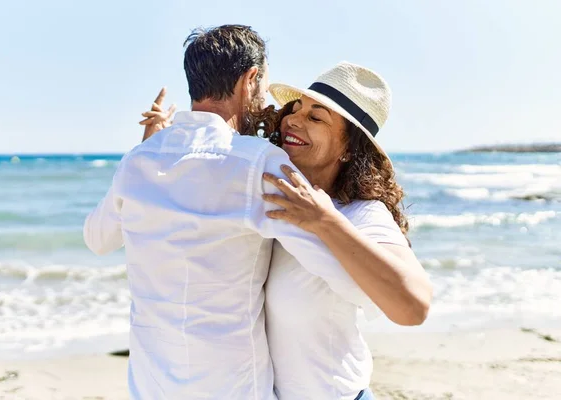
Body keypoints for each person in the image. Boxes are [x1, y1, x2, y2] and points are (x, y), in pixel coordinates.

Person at [84, 26, 392, 400]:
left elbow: (97, 240)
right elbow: (354, 282)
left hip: (151, 388)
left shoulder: (138, 160)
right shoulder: (259, 164)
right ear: (249, 80)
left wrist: (147, 150)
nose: (267, 106)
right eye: (263, 90)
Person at [142, 62, 432, 400]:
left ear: (350, 148)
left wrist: (325, 221)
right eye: (296, 108)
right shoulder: (260, 194)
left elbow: (413, 307)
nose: (293, 119)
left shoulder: (360, 214)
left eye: (316, 117)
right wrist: (155, 152)